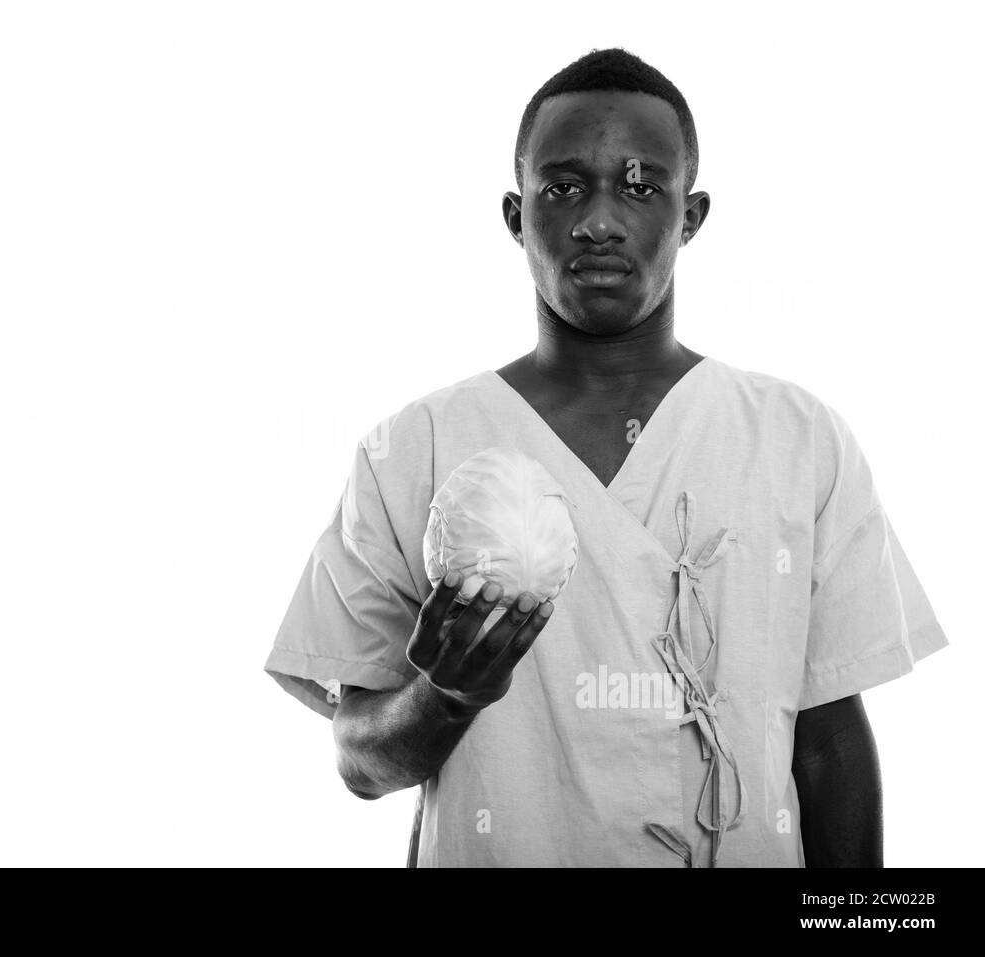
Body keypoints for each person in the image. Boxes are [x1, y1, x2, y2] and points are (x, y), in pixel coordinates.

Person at [262, 48, 948, 867]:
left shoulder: (800, 439)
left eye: (639, 184)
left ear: (690, 216)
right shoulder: (414, 448)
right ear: (517, 216)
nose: (598, 219)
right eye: (563, 187)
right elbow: (361, 763)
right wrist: (443, 696)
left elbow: (829, 742)